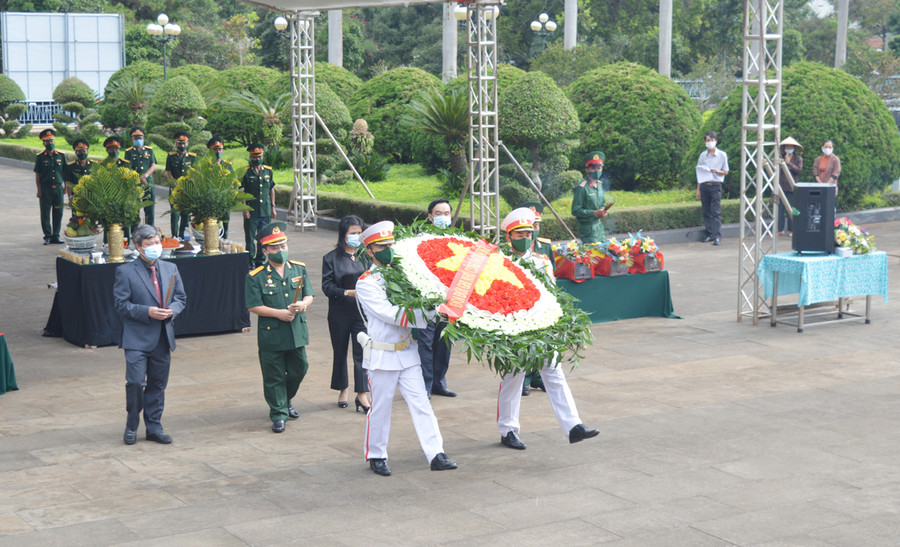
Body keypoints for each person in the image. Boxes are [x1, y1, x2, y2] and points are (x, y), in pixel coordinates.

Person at [356, 221, 457, 476]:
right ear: (370, 251)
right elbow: (391, 314)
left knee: (421, 403)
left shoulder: (403, 275)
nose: (388, 250)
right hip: (382, 354)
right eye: (382, 247)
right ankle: (377, 454)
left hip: (407, 352)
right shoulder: (366, 283)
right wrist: (432, 313)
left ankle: (436, 453)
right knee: (381, 408)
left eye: (391, 245)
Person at [496, 208, 599, 451]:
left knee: (554, 372)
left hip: (541, 326)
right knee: (513, 378)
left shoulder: (541, 262)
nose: (525, 238)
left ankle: (573, 426)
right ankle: (508, 430)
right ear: (509, 237)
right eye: (519, 234)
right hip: (513, 328)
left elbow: (551, 293)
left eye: (528, 234)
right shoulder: (499, 262)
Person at [113, 224, 187, 445]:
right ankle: (132, 424)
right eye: (150, 244)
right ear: (138, 247)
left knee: (157, 384)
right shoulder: (126, 272)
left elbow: (181, 298)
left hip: (162, 337)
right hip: (136, 338)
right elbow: (121, 304)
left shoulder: (170, 268)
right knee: (135, 383)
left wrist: (172, 310)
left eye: (157, 242)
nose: (155, 246)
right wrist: (147, 312)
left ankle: (154, 427)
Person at [245, 221, 314, 433]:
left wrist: (303, 305)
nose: (281, 250)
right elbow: (253, 306)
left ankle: (285, 400)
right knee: (273, 375)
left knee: (300, 368)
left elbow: (309, 295)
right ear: (265, 251)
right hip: (272, 334)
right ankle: (278, 413)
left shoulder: (299, 269)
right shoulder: (256, 276)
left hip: (296, 331)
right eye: (275, 248)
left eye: (283, 246)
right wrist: (279, 313)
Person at [321, 215, 369, 411]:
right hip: (340, 311)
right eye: (353, 233)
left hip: (361, 312)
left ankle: (362, 394)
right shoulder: (331, 258)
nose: (356, 236)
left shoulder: (366, 255)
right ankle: (343, 388)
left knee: (362, 352)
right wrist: (348, 292)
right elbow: (327, 287)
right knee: (340, 351)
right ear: (343, 234)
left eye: (359, 233)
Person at [416, 199, 456, 398]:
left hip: (448, 302)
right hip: (427, 302)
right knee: (425, 343)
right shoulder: (419, 240)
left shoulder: (457, 241)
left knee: (444, 342)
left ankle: (439, 382)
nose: (443, 217)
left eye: (446, 213)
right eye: (438, 214)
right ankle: (425, 385)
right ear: (430, 217)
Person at [517, 201, 552, 395]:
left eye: (537, 225)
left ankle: (537, 377)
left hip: (542, 302)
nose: (535, 229)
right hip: (521, 303)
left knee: (541, 341)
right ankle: (524, 379)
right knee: (524, 343)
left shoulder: (544, 246)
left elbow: (551, 274)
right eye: (532, 225)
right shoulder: (512, 249)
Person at [241, 143, 276, 268]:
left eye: (259, 156)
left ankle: (260, 260)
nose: (257, 159)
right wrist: (245, 209)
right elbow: (242, 192)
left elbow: (271, 189)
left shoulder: (268, 171)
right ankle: (250, 260)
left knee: (264, 237)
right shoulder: (246, 172)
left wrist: (273, 207)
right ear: (251, 157)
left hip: (265, 210)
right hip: (252, 210)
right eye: (255, 157)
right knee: (250, 238)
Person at [695, 131, 729, 246]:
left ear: (716, 141)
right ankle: (709, 234)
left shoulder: (722, 155)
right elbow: (699, 172)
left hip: (715, 185)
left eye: (712, 140)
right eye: (708, 140)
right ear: (705, 142)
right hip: (704, 185)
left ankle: (717, 236)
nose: (710, 142)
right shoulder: (702, 155)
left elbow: (726, 171)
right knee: (706, 211)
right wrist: (698, 189)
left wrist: (717, 171)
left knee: (716, 212)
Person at [33, 128, 66, 245]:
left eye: (51, 141)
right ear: (43, 143)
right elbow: (37, 174)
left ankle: (55, 236)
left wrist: (66, 187)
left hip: (58, 188)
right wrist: (39, 190)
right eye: (47, 141)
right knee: (45, 214)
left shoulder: (61, 156)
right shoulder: (40, 157)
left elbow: (65, 172)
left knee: (58, 212)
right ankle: (47, 236)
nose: (50, 143)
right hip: (45, 188)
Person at [571, 151, 609, 244]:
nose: (596, 171)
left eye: (599, 168)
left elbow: (602, 203)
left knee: (603, 250)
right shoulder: (582, 188)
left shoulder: (599, 185)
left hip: (599, 227)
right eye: (593, 168)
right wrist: (594, 213)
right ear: (587, 169)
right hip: (587, 229)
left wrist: (603, 212)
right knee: (592, 251)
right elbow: (575, 210)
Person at [124, 127, 157, 231]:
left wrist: (145, 176)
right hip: (135, 183)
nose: (138, 139)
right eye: (136, 137)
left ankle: (150, 230)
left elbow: (153, 165)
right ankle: (135, 231)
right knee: (135, 208)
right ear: (132, 139)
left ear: (143, 138)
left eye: (140, 137)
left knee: (149, 207)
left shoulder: (149, 150)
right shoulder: (129, 152)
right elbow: (127, 168)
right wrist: (138, 178)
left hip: (148, 182)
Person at [164, 132, 196, 239]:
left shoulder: (192, 157)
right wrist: (174, 183)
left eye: (184, 143)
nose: (182, 145)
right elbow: (169, 172)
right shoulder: (171, 156)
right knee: (175, 213)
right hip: (175, 188)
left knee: (185, 214)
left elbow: (195, 173)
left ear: (188, 143)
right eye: (179, 143)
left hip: (187, 189)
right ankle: (174, 236)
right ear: (176, 144)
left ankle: (184, 236)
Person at [207, 136, 235, 239]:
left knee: (225, 224)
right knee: (212, 225)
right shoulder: (206, 166)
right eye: (215, 149)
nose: (218, 152)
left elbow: (233, 181)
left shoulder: (228, 165)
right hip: (211, 199)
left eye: (220, 149)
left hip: (224, 199)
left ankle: (224, 242)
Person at [778, 137, 803, 236]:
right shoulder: (780, 158)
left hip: (792, 187)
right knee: (780, 209)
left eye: (791, 147)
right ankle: (779, 229)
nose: (789, 148)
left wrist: (789, 163)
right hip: (781, 186)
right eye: (787, 146)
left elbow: (798, 170)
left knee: (791, 209)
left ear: (794, 148)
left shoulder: (798, 159)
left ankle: (791, 229)